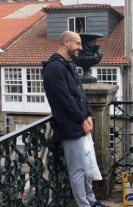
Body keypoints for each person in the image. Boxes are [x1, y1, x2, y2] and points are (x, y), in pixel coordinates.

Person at [42, 31, 108, 207]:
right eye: (77, 44)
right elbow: (65, 100)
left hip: (79, 124)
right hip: (69, 127)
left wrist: (88, 115)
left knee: (86, 167)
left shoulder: (67, 65)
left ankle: (91, 201)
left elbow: (80, 94)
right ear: (66, 42)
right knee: (78, 170)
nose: (80, 47)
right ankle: (84, 204)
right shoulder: (54, 68)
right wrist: (81, 120)